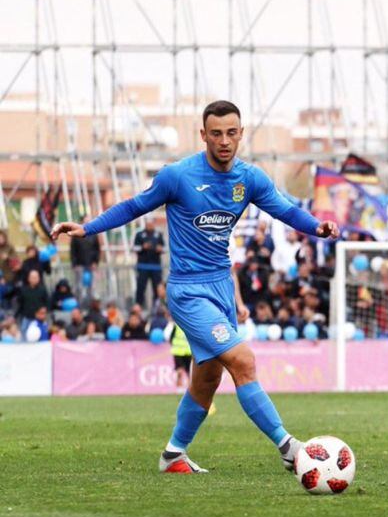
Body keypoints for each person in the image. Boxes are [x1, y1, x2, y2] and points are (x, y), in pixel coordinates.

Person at [51, 100, 339, 475]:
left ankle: (173, 454)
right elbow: (134, 206)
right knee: (243, 361)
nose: (224, 141)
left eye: (231, 133)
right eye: (216, 134)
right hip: (188, 290)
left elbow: (283, 209)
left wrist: (316, 226)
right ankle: (289, 448)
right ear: (203, 135)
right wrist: (87, 228)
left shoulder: (250, 179)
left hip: (221, 286)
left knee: (207, 379)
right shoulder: (178, 176)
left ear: (241, 134)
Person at [133, 219, 165, 308]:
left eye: (151, 224)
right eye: (148, 224)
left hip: (156, 266)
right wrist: (143, 247)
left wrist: (160, 249)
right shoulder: (139, 235)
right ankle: (138, 306)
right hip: (143, 266)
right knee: (141, 287)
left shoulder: (158, 235)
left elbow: (164, 248)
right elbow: (135, 248)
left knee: (157, 288)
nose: (150, 226)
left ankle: (158, 306)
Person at [70, 214, 100, 300]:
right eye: (86, 220)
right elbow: (73, 250)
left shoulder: (94, 235)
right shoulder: (76, 235)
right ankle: (79, 303)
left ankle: (90, 303)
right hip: (80, 264)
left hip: (91, 265)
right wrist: (74, 264)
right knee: (79, 285)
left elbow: (97, 249)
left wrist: (95, 262)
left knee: (91, 286)